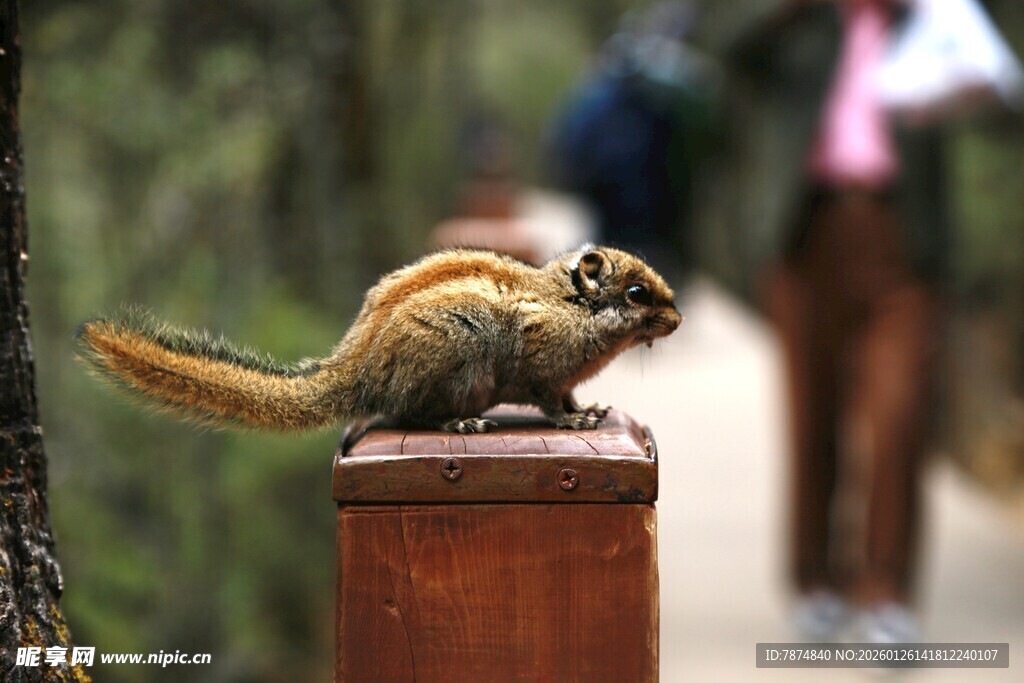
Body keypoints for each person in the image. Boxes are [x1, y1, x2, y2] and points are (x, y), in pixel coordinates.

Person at [692, 0, 948, 642]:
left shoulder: (927, 19)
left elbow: (997, 90)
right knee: (813, 415)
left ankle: (886, 593)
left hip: (902, 237)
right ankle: (816, 584)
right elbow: (714, 45)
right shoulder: (795, 23)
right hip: (805, 235)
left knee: (899, 417)